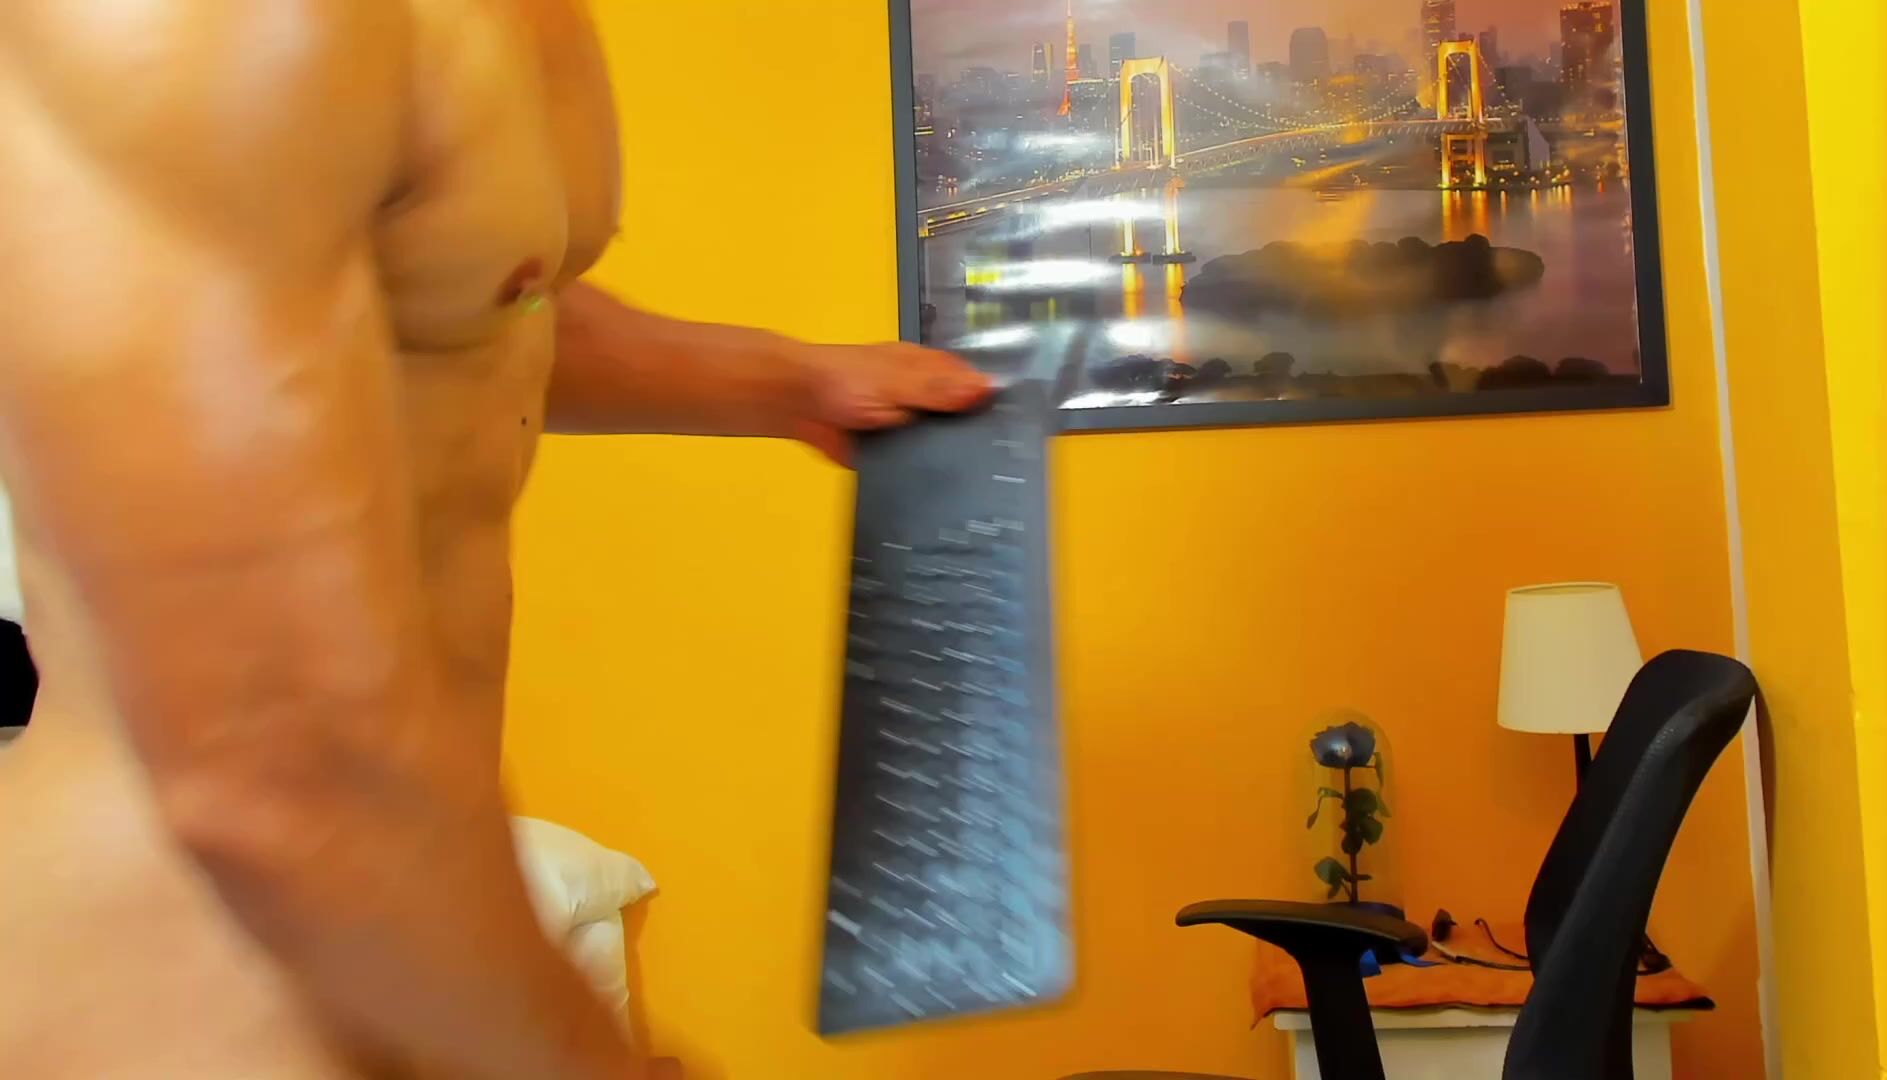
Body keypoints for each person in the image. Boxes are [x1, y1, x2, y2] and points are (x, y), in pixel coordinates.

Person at [0, 3, 989, 1078]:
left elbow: (473, 302)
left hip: (400, 929)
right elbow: (277, 757)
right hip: (205, 988)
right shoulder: (203, 21)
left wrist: (790, 382)